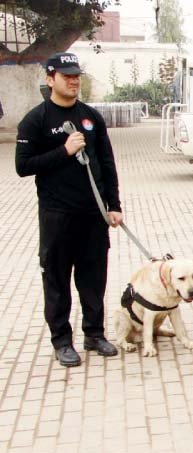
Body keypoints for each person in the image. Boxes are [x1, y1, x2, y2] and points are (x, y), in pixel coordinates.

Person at [15, 52, 123, 367]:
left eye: (76, 75)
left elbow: (106, 164)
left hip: (93, 216)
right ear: (51, 80)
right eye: (66, 76)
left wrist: (113, 205)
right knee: (58, 280)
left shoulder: (91, 117)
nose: (74, 81)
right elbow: (23, 166)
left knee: (93, 278)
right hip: (57, 216)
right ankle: (62, 340)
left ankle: (94, 334)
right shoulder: (35, 120)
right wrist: (63, 151)